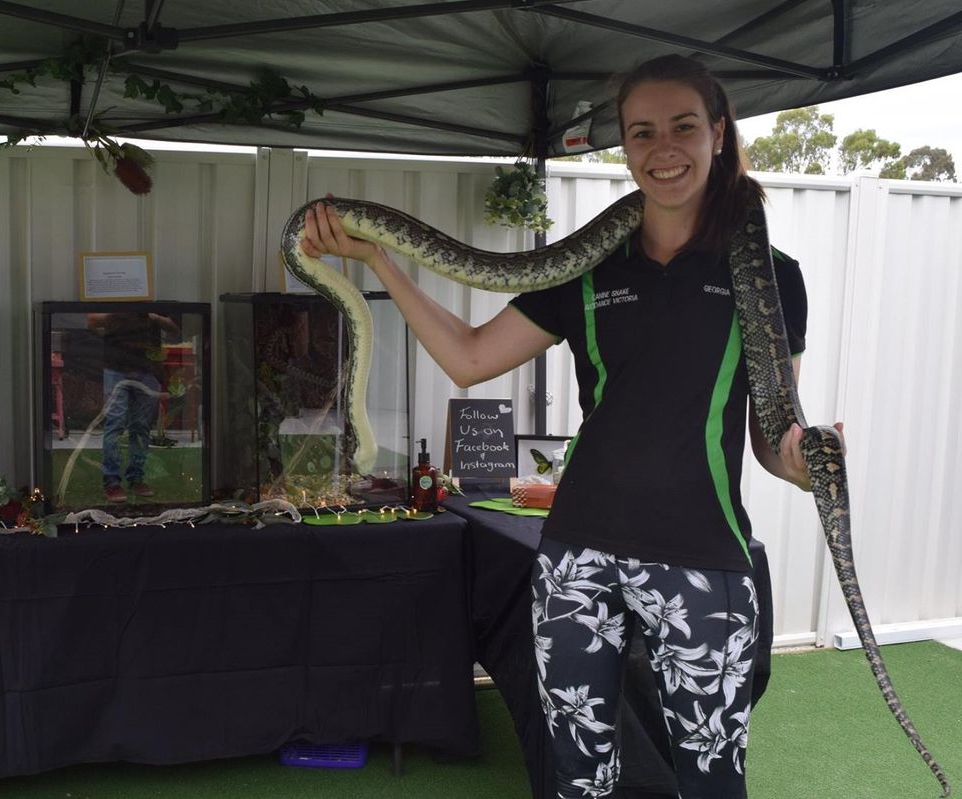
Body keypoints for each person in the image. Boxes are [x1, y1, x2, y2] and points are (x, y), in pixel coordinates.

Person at [301, 53, 844, 799]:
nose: (663, 148)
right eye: (642, 132)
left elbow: (772, 435)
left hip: (703, 560)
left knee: (713, 777)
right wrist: (382, 261)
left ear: (718, 133)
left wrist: (804, 464)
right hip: (575, 562)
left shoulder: (771, 274)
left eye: (684, 127)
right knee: (579, 777)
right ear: (625, 148)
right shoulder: (583, 270)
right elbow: (468, 357)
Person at [86, 311, 178, 503]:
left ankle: (136, 478)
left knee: (141, 425)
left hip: (147, 369)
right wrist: (117, 320)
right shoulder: (114, 298)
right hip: (116, 367)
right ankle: (112, 481)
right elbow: (91, 320)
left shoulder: (153, 303)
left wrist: (154, 317)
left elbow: (175, 328)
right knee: (115, 424)